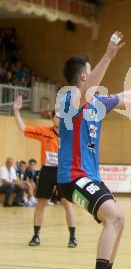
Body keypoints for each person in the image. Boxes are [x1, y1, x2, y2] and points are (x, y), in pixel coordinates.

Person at [57, 31, 131, 269]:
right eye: (90, 72)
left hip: (90, 176)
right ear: (83, 75)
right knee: (115, 216)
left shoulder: (98, 104)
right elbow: (85, 92)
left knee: (118, 221)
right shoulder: (69, 99)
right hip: (72, 177)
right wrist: (108, 56)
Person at [13, 96, 78, 247]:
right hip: (47, 171)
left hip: (64, 172)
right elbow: (23, 128)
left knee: (67, 204)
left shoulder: (71, 134)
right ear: (52, 118)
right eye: (57, 117)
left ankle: (72, 238)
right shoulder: (44, 132)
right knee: (41, 203)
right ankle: (36, 236)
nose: (59, 119)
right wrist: (16, 111)